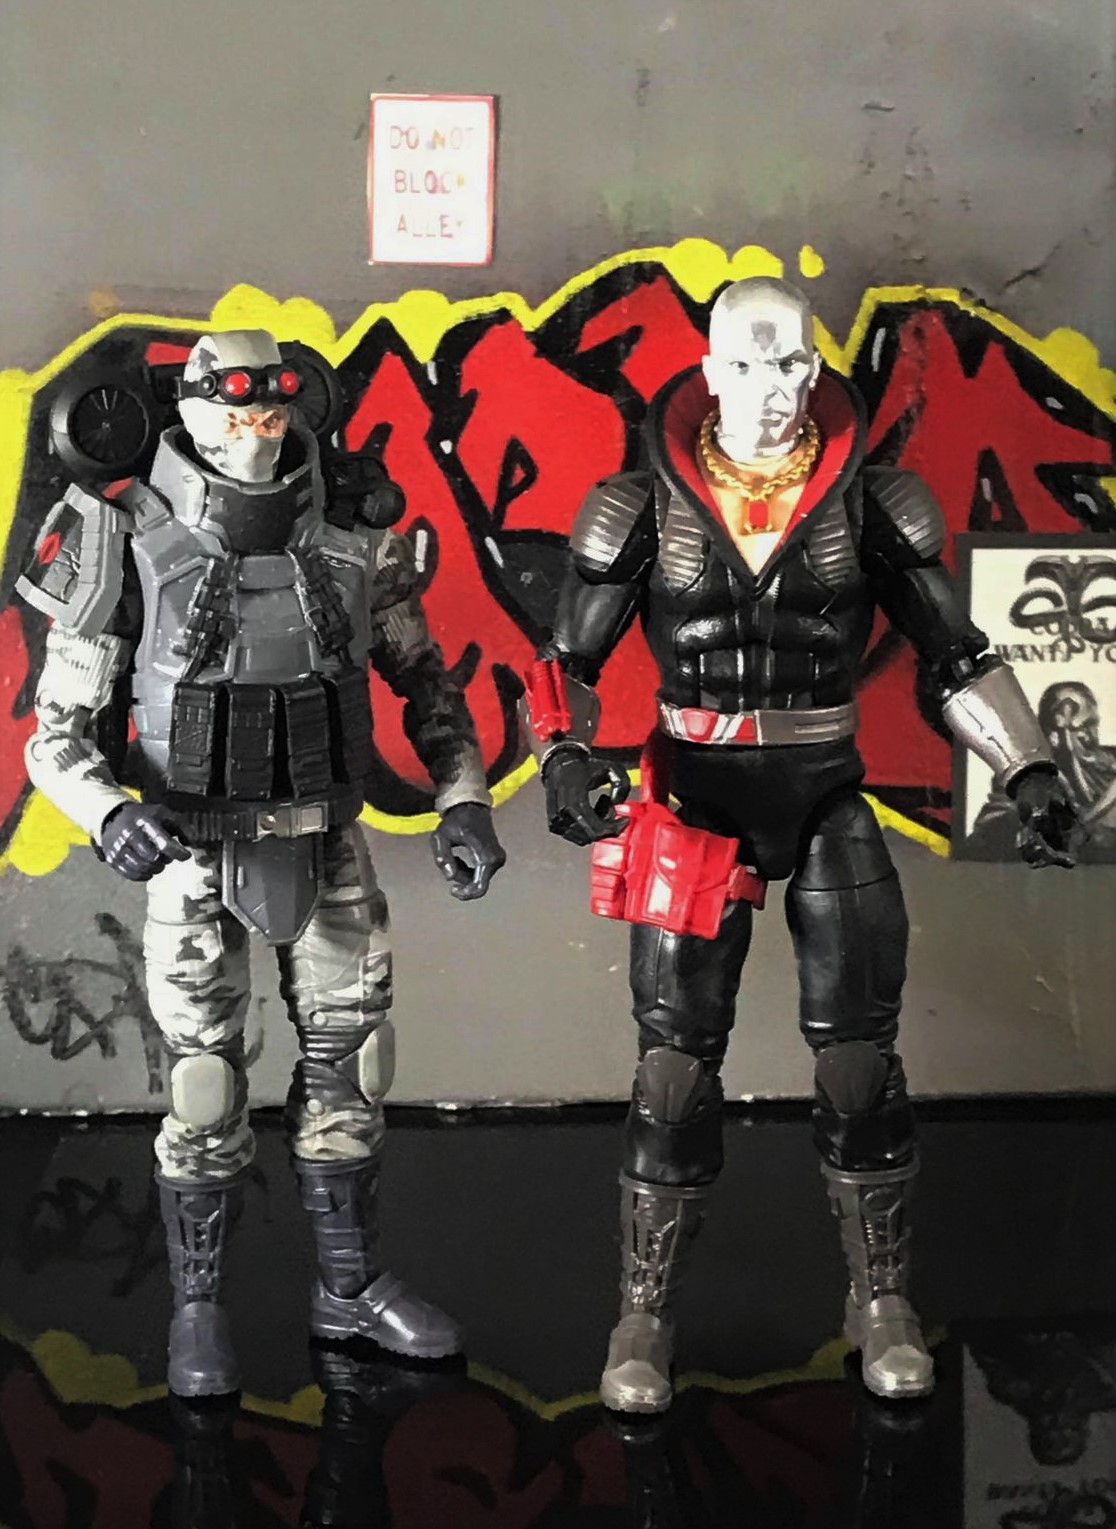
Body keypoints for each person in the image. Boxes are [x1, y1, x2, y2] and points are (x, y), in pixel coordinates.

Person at [522, 276, 1077, 1413]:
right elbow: (565, 661)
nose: (771, 389)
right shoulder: (640, 505)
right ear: (709, 370)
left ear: (815, 371)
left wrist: (1027, 770)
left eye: (789, 365)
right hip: (694, 798)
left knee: (860, 1062)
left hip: (825, 789)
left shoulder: (876, 504)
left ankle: (882, 1300)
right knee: (673, 1071)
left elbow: (956, 655)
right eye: (746, 363)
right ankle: (643, 1313)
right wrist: (564, 756)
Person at [18, 329, 506, 1396]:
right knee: (203, 1084)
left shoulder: (354, 534)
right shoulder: (118, 537)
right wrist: (108, 812)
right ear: (185, 410)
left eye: (273, 402)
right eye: (231, 402)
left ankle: (349, 1285)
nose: (255, 423)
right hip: (191, 850)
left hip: (326, 838)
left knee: (352, 1066)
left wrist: (463, 798)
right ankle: (198, 1305)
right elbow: (54, 733)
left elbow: (427, 682)